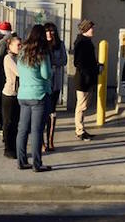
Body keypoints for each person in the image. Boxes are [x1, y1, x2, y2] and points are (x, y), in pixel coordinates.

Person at [16, 24, 53, 172]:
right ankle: (37, 164)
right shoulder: (42, 53)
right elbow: (46, 74)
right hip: (38, 95)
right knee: (37, 130)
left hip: (23, 95)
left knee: (23, 129)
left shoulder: (22, 52)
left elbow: (19, 71)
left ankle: (22, 161)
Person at [73, 19, 101, 141]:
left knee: (83, 106)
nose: (93, 30)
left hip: (88, 78)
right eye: (91, 28)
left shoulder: (86, 42)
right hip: (83, 79)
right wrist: (89, 73)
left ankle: (81, 129)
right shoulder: (81, 43)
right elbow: (78, 62)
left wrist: (96, 65)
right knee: (81, 106)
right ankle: (79, 130)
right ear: (85, 29)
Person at [43, 22, 67, 152]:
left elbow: (64, 60)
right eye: (47, 31)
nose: (49, 33)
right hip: (43, 83)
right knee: (41, 112)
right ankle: (41, 142)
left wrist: (51, 62)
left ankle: (50, 140)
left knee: (52, 111)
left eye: (52, 31)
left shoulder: (60, 44)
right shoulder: (41, 45)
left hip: (55, 83)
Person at [2, 36, 22, 159]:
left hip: (18, 94)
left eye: (21, 45)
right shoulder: (8, 58)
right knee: (8, 122)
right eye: (18, 45)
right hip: (9, 94)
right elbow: (19, 72)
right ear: (10, 46)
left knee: (15, 122)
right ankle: (8, 148)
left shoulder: (17, 57)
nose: (20, 47)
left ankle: (13, 146)